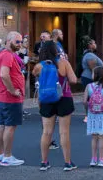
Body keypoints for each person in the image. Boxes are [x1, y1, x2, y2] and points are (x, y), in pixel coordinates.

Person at [33, 40, 78, 171]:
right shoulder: (63, 63)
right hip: (64, 97)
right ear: (56, 50)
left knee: (46, 132)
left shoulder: (39, 66)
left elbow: (35, 77)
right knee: (64, 132)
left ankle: (44, 162)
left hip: (46, 99)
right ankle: (67, 162)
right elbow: (74, 79)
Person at [0, 31, 25, 167]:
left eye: (21, 42)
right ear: (8, 41)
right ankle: (7, 156)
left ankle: (0, 155)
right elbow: (4, 74)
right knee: (10, 127)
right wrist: (12, 90)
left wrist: (0, 86)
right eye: (17, 41)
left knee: (2, 125)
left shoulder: (2, 54)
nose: (20, 44)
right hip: (9, 97)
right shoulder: (7, 55)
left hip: (2, 96)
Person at [85, 66, 103, 167]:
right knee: (102, 137)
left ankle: (93, 159)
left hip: (92, 113)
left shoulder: (89, 86)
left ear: (96, 75)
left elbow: (85, 101)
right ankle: (101, 160)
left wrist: (88, 108)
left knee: (94, 137)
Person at [80, 37, 103, 121]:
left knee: (91, 97)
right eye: (94, 43)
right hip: (89, 78)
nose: (95, 44)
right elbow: (93, 68)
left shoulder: (89, 54)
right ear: (89, 45)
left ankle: (91, 114)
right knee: (89, 97)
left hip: (88, 77)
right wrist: (97, 79)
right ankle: (88, 115)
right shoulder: (89, 55)